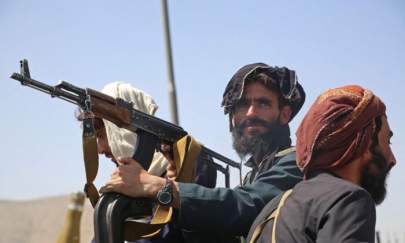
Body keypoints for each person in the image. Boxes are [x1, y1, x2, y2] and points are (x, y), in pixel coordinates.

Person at [100, 63, 306, 242]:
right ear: (232, 117)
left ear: (284, 114)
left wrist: (157, 186)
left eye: (263, 103)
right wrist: (182, 188)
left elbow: (248, 205)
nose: (251, 113)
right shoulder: (255, 174)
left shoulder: (295, 163)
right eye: (243, 104)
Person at [246, 85, 396, 243]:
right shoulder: (348, 199)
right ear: (365, 143)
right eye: (387, 142)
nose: (392, 159)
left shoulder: (270, 211)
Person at [77, 82, 217, 242]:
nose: (100, 150)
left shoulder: (191, 161)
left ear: (120, 131)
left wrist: (169, 187)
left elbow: (188, 229)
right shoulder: (124, 184)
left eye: (102, 135)